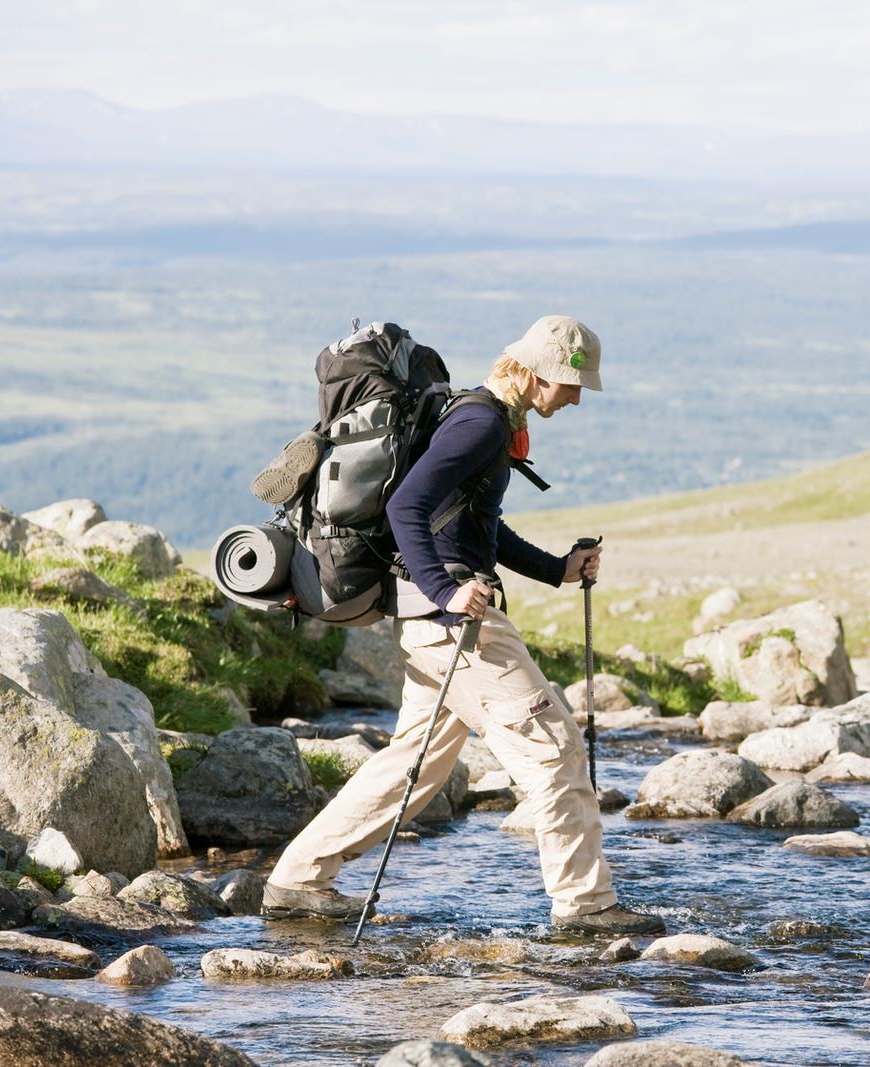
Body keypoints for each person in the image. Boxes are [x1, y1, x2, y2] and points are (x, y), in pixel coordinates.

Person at [262, 315, 665, 935]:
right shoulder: (480, 424)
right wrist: (447, 591)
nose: (578, 396)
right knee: (555, 750)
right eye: (569, 383)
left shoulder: (483, 418)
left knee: (413, 766)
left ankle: (297, 881)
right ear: (530, 375)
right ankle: (587, 908)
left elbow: (477, 525)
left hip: (430, 621)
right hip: (454, 625)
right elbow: (405, 508)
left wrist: (557, 569)